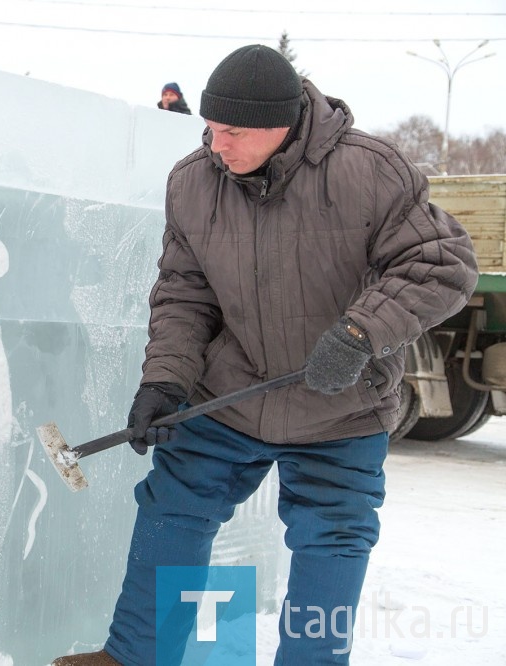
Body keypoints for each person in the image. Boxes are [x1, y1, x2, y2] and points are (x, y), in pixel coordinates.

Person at [52, 44, 477, 665]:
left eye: (232, 131)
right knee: (174, 507)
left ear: (283, 125)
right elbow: (184, 294)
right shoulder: (194, 181)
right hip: (231, 393)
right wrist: (165, 383)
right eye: (209, 126)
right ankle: (137, 655)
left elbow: (441, 265)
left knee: (332, 537)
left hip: (341, 400)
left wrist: (360, 333)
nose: (214, 143)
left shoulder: (369, 171)